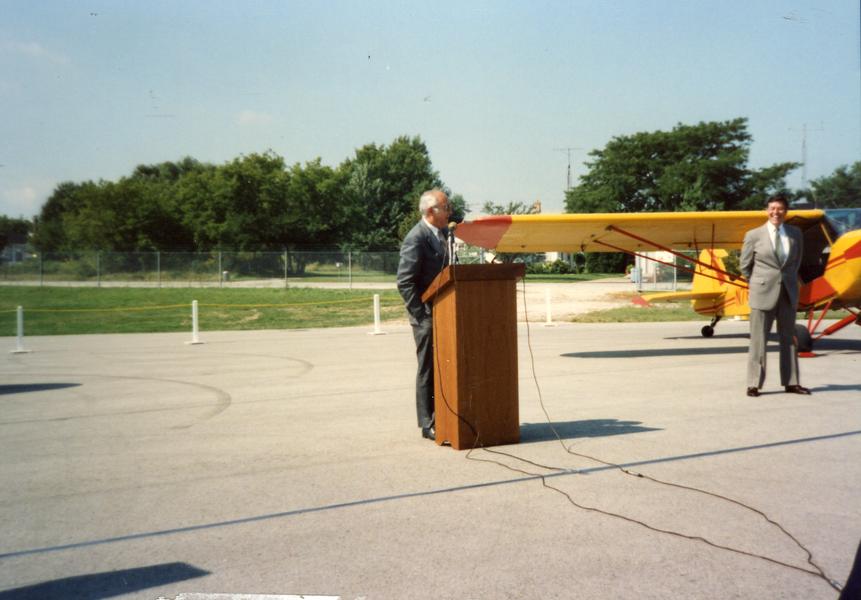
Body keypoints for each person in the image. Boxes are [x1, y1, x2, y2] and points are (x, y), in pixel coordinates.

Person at [740, 194, 811, 397]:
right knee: (758, 340)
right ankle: (753, 384)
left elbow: (796, 262)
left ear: (785, 211)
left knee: (789, 339)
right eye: (772, 208)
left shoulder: (795, 234)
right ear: (766, 210)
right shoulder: (754, 235)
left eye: (780, 208)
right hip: (762, 293)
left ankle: (791, 383)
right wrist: (759, 282)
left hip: (788, 293)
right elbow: (745, 266)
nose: (776, 212)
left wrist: (787, 280)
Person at [397, 189, 451, 440]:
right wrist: (421, 316)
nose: (449, 212)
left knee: (445, 364)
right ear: (431, 211)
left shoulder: (443, 233)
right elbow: (405, 282)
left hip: (445, 312)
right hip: (426, 316)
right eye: (445, 207)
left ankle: (446, 414)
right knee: (427, 367)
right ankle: (428, 422)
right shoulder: (416, 238)